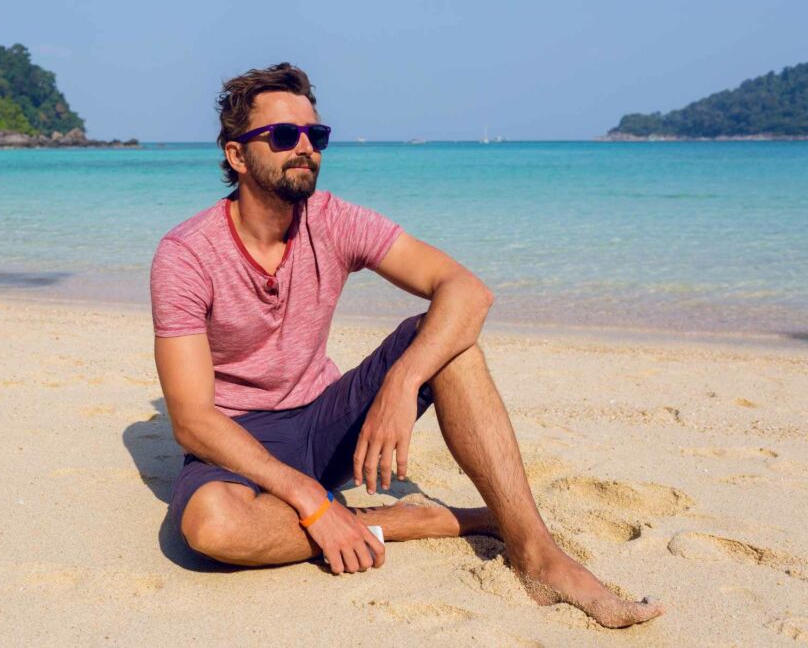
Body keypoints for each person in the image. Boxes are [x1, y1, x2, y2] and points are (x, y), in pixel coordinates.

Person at [149, 63, 664, 628]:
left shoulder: (334, 220)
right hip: (239, 435)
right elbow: (193, 421)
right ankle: (414, 522)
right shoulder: (187, 255)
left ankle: (538, 555)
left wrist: (403, 381)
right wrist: (312, 501)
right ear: (237, 155)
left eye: (315, 135)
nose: (305, 148)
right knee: (213, 528)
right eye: (284, 135)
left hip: (325, 419)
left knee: (452, 345)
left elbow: (467, 291)